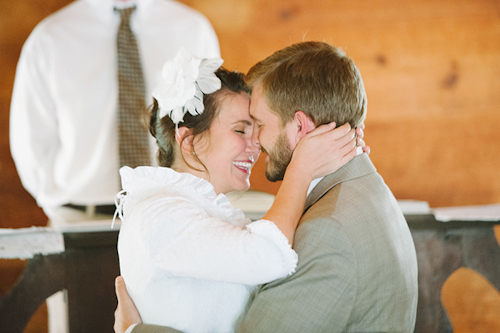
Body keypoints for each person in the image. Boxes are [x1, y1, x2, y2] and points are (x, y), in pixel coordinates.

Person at [114, 41, 418, 333]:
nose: (255, 143)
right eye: (241, 129)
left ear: (300, 126)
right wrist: (302, 168)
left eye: (258, 125)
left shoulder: (330, 229)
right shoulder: (163, 213)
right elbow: (263, 255)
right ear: (190, 142)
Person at [9, 1, 219, 332]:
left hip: (170, 223)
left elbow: (210, 129)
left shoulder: (191, 29)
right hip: (78, 226)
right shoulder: (50, 38)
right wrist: (70, 204)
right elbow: (31, 143)